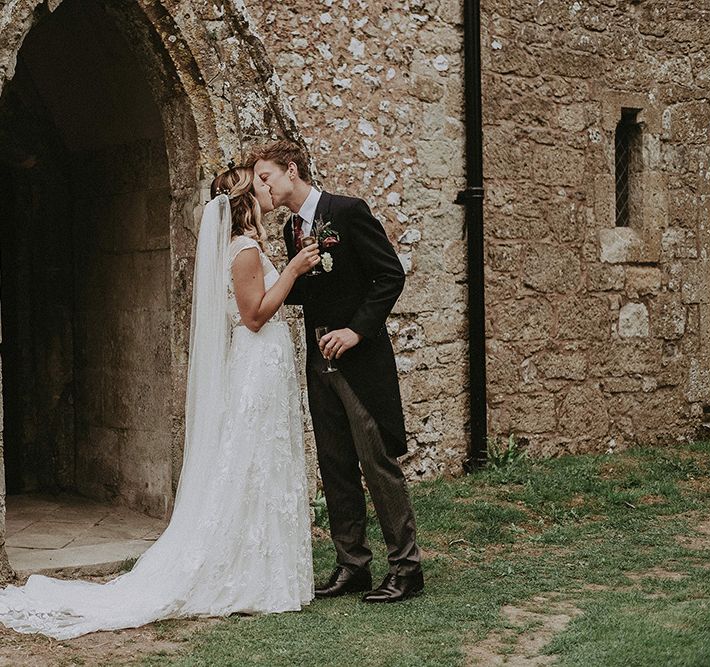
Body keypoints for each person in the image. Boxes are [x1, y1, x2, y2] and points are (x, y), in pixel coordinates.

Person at [0, 167, 320, 639]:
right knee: (253, 458)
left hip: (261, 365)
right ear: (243, 202)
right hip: (257, 364)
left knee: (259, 460)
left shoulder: (241, 247)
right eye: (258, 186)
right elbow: (253, 316)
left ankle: (263, 563)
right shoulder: (245, 250)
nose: (267, 192)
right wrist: (293, 270)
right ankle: (250, 568)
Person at [250, 140, 423, 603]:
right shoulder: (291, 230)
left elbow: (390, 275)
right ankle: (353, 565)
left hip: (359, 359)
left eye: (266, 177)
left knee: (376, 461)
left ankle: (406, 569)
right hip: (317, 356)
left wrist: (356, 332)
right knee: (335, 463)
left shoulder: (346, 212)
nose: (262, 187)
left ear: (291, 171)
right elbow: (309, 291)